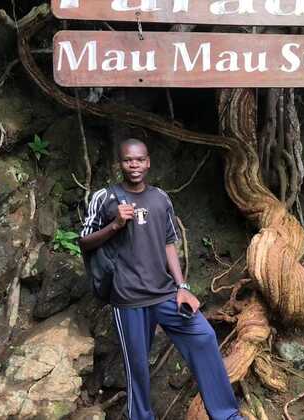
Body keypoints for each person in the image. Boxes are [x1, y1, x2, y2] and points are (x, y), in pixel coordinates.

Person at [79, 139, 243, 420]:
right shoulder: (105, 197)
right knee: (137, 367)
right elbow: (84, 242)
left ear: (148, 162)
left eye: (139, 160)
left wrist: (182, 287)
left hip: (165, 293)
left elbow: (169, 242)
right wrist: (115, 225)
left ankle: (227, 415)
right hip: (127, 297)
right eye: (128, 160)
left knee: (203, 337)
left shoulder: (160, 198)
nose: (134, 165)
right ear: (120, 164)